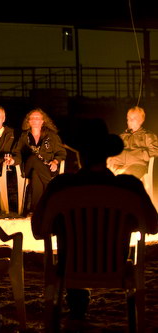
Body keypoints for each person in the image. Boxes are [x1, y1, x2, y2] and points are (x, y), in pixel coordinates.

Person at [31, 118, 158, 320]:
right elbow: (153, 225)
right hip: (113, 266)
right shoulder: (129, 186)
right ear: (108, 154)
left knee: (72, 244)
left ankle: (77, 300)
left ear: (79, 154)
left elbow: (38, 230)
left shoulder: (61, 186)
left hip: (70, 267)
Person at [9, 108, 66, 214]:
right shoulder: (23, 136)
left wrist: (55, 161)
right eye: (32, 118)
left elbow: (62, 153)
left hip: (48, 168)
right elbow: (17, 154)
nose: (35, 120)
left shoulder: (52, 136)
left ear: (43, 121)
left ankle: (35, 211)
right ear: (28, 121)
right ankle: (52, 189)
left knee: (36, 174)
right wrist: (13, 161)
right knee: (34, 158)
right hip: (28, 168)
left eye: (37, 118)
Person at [107, 106, 158, 179]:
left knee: (125, 179)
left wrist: (141, 154)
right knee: (102, 174)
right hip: (118, 164)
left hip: (137, 165)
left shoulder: (148, 136)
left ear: (141, 121)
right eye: (128, 118)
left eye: (133, 119)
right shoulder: (123, 136)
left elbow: (155, 151)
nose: (129, 121)